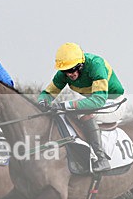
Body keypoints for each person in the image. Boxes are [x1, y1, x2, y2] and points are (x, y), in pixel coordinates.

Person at [37, 42, 126, 172]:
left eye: (72, 69)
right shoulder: (64, 74)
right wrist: (42, 102)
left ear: (81, 65)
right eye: (65, 71)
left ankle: (102, 159)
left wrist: (65, 105)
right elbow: (48, 94)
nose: (69, 74)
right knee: (65, 114)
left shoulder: (96, 65)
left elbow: (98, 100)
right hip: (96, 102)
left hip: (114, 102)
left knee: (82, 113)